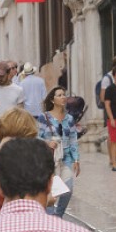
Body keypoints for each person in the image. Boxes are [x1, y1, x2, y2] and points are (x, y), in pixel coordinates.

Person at [38, 87, 80, 218]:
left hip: (66, 157)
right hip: (49, 158)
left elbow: (73, 139)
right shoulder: (44, 117)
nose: (63, 97)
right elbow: (37, 137)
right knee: (51, 191)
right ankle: (49, 217)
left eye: (64, 95)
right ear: (52, 99)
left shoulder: (69, 118)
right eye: (59, 95)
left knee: (68, 189)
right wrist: (47, 143)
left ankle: (58, 216)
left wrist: (76, 159)